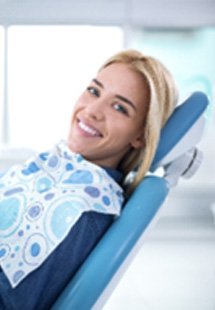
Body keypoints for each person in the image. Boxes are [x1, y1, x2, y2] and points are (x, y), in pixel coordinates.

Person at [0, 49, 178, 309]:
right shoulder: (55, 166)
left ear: (140, 136)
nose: (92, 110)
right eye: (94, 91)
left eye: (120, 107)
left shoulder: (80, 209)